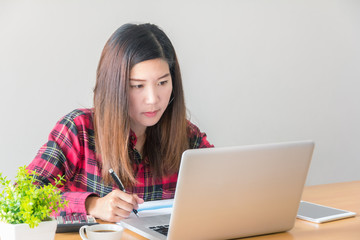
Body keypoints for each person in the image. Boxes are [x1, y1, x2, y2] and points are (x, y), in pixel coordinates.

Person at [27, 23, 213, 223]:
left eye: (162, 83)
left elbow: (225, 190)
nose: (153, 99)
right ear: (114, 86)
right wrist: (92, 205)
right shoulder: (78, 129)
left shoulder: (188, 137)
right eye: (137, 86)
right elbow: (26, 195)